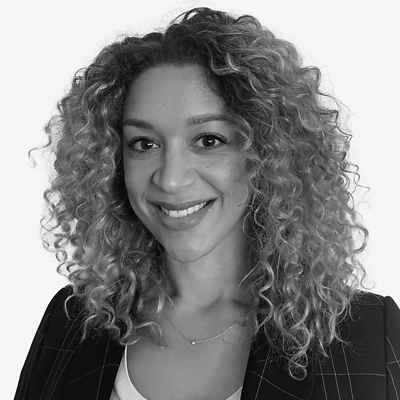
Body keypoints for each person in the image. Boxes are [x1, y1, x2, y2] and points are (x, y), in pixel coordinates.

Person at [15, 7, 400, 400]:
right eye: (144, 144)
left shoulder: (368, 333)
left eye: (208, 140)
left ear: (268, 152)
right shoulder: (71, 323)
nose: (170, 179)